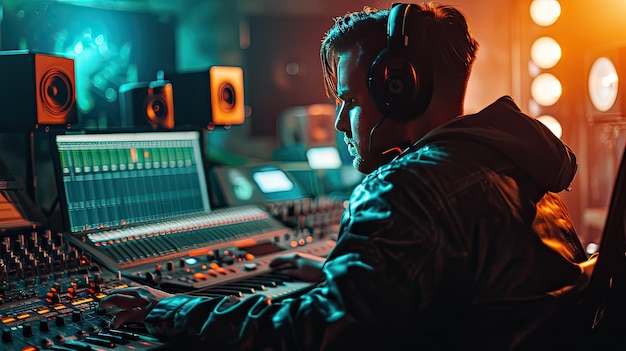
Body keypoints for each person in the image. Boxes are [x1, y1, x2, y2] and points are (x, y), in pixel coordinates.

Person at [99, 2, 594, 350]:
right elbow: (463, 287)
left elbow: (313, 334)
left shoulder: (408, 188)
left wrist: (167, 310)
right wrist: (344, 277)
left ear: (399, 90)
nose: (340, 123)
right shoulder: (510, 165)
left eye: (350, 101)